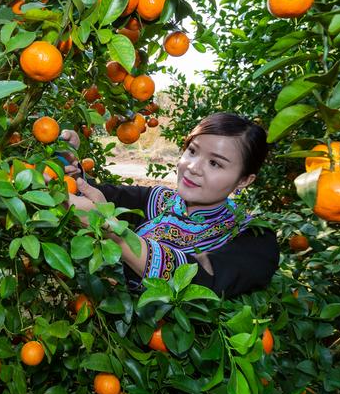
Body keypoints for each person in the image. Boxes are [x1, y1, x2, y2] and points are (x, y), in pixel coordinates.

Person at [62, 112, 279, 298]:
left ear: (244, 180)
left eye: (215, 163)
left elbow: (203, 282)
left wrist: (113, 233)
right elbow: (100, 196)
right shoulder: (159, 201)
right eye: (192, 151)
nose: (193, 167)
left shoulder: (254, 238)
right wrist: (69, 167)